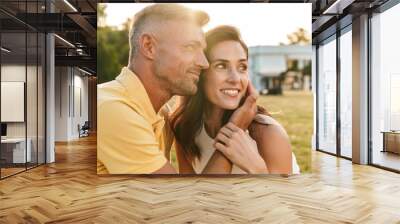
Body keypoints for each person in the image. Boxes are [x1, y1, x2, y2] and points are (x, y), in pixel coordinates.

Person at [97, 4, 257, 174]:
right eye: (190, 47)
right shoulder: (112, 110)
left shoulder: (162, 114)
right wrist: (234, 131)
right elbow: (185, 200)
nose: (203, 63)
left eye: (202, 50)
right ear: (149, 46)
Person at [171, 25, 300, 174]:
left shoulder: (268, 132)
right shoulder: (185, 127)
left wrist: (257, 169)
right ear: (200, 72)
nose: (235, 78)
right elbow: (191, 193)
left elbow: (284, 196)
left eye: (242, 67)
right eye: (221, 65)